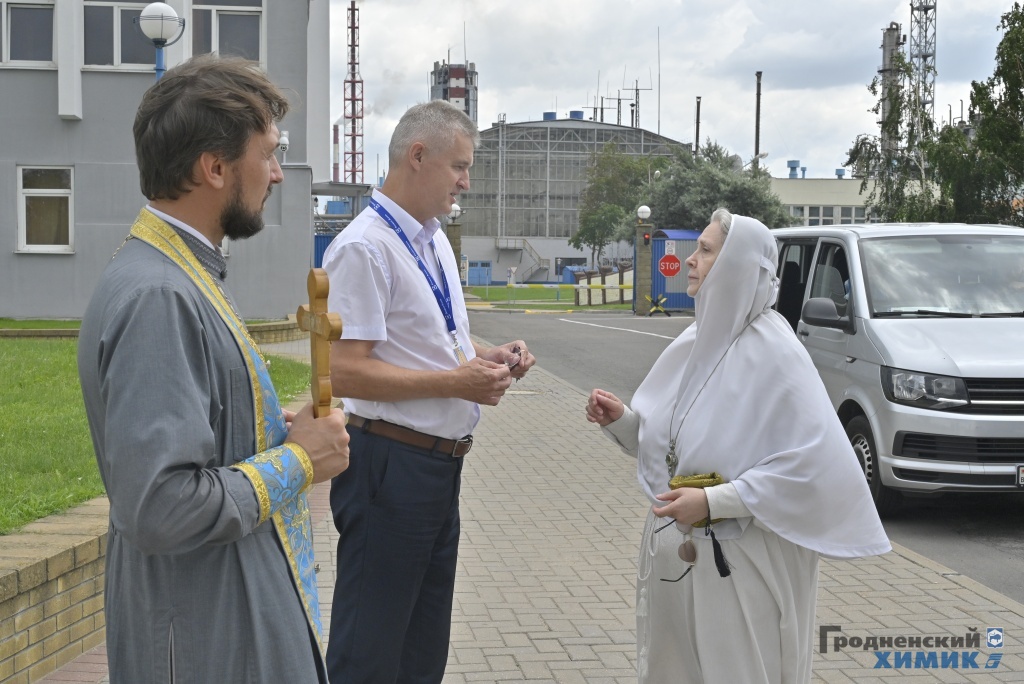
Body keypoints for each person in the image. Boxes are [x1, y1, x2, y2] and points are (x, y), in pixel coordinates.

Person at [77, 55, 350, 684]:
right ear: (216, 167)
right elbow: (161, 506)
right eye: (269, 153)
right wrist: (299, 461)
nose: (277, 174)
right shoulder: (160, 295)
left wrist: (267, 432)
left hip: (215, 617)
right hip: (205, 637)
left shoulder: (176, 273)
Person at [586, 208, 890, 684]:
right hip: (682, 566)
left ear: (739, 266)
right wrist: (624, 423)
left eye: (705, 251)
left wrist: (712, 501)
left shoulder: (776, 352)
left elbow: (812, 467)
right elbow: (676, 444)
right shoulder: (696, 341)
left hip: (742, 570)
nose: (690, 260)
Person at [321, 99, 536, 684]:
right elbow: (344, 372)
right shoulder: (365, 247)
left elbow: (433, 343)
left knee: (421, 651)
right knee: (370, 650)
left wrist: (483, 360)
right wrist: (455, 381)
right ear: (418, 156)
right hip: (390, 466)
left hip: (438, 468)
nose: (466, 181)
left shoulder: (434, 239)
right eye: (459, 167)